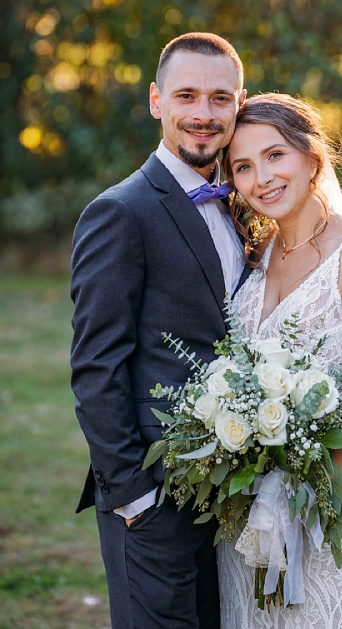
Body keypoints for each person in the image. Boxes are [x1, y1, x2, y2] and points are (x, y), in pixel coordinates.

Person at [70, 32, 247, 629]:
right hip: (152, 496)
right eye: (187, 95)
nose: (203, 113)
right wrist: (133, 498)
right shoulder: (121, 211)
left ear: (239, 104)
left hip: (227, 490)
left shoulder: (244, 204)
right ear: (156, 101)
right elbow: (97, 367)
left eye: (220, 99)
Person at [218, 93, 342, 629]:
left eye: (275, 155)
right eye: (244, 167)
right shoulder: (251, 253)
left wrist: (301, 503)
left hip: (326, 508)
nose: (262, 178)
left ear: (312, 154)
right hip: (246, 519)